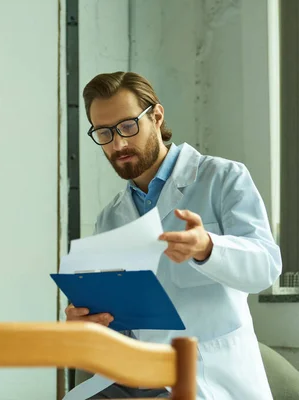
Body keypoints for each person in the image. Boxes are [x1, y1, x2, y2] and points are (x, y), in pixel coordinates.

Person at [64, 72, 281, 400]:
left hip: (207, 375)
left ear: (156, 116)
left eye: (127, 126)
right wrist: (88, 321)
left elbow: (266, 267)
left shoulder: (222, 178)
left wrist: (208, 247)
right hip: (134, 375)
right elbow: (121, 322)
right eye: (104, 133)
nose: (118, 144)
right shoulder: (110, 218)